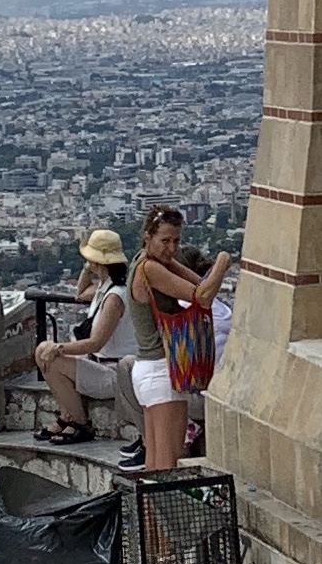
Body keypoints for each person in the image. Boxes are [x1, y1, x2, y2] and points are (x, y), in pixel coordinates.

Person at [124, 204, 231, 479]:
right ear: (148, 237)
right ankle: (156, 508)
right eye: (165, 241)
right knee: (167, 465)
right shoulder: (150, 269)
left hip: (148, 369)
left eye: (176, 241)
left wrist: (175, 262)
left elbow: (200, 284)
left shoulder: (145, 262)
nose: (171, 248)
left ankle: (149, 509)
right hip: (161, 369)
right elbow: (203, 296)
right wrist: (223, 260)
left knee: (154, 464)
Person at [38, 229, 132, 445]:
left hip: (114, 372)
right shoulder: (106, 287)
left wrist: (59, 347)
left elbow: (96, 342)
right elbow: (81, 293)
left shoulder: (115, 297)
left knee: (52, 359)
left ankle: (79, 422)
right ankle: (67, 416)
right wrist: (88, 268)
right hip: (103, 363)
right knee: (42, 349)